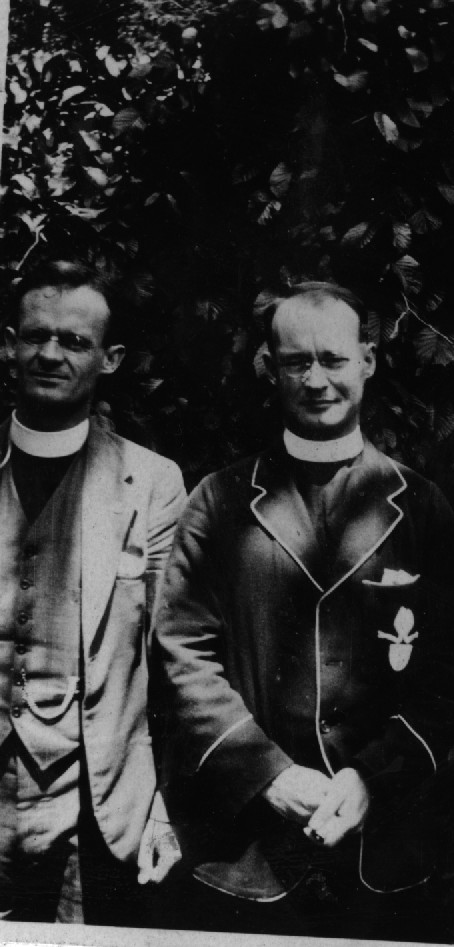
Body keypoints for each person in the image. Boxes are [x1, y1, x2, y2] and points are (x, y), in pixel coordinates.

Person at [153, 281, 454, 940]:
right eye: (296, 361)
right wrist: (267, 775)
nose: (316, 379)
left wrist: (373, 777)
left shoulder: (419, 506)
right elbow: (181, 655)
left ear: (367, 360)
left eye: (333, 359)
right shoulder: (218, 503)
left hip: (385, 855)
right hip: (246, 857)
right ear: (269, 368)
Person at [0, 259, 186, 924]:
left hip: (95, 803)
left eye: (73, 341)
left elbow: (175, 662)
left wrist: (163, 804)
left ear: (110, 358)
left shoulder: (152, 483)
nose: (49, 352)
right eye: (34, 335)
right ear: (8, 344)